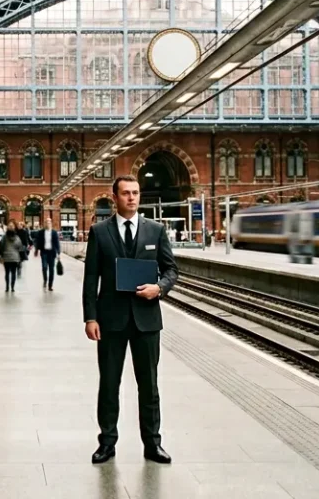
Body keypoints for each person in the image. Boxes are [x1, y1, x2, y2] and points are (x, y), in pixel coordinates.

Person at [83, 175, 176, 466]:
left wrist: (159, 288)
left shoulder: (156, 231)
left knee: (149, 385)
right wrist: (90, 317)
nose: (132, 198)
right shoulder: (99, 232)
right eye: (126, 193)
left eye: (135, 193)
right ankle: (107, 443)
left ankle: (153, 444)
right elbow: (90, 279)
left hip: (147, 321)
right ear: (115, 197)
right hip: (110, 320)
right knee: (109, 383)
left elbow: (172, 270)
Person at [34, 217, 61, 291]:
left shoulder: (54, 232)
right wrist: (36, 250)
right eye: (46, 222)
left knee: (52, 269)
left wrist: (59, 253)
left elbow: (57, 243)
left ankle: (50, 285)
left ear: (51, 223)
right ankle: (45, 280)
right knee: (44, 267)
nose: (48, 223)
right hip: (44, 252)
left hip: (52, 253)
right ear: (44, 223)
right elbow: (37, 242)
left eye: (49, 222)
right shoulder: (41, 232)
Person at [0, 227, 24, 293]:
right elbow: (20, 247)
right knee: (14, 273)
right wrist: (21, 257)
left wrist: (1, 255)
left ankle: (7, 287)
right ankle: (12, 287)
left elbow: (1, 247)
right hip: (15, 258)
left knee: (7, 273)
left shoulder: (4, 238)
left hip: (6, 258)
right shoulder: (17, 238)